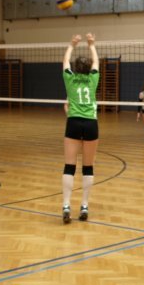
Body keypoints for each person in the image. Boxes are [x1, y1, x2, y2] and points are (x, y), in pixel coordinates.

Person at [61, 33, 100, 223]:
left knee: (69, 165)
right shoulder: (93, 79)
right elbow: (97, 62)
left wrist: (72, 44)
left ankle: (66, 205)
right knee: (88, 167)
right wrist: (91, 44)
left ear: (75, 69)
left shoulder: (69, 79)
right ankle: (84, 205)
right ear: (88, 68)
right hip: (91, 123)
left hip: (74, 122)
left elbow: (65, 61)